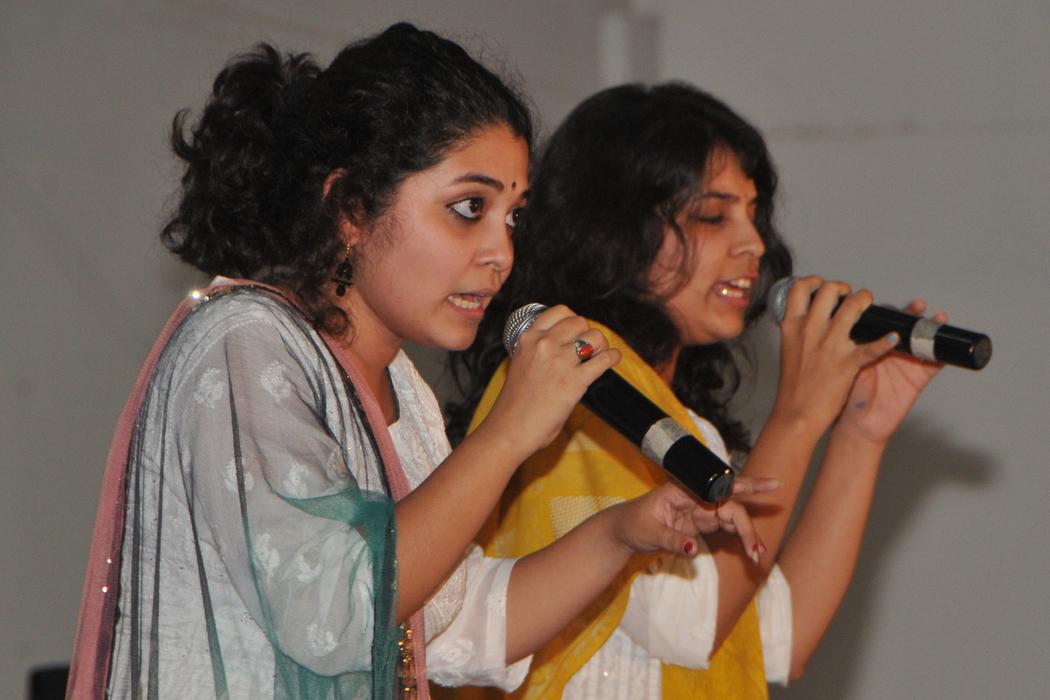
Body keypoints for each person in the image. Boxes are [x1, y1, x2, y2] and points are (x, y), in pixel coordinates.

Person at [66, 27, 769, 700]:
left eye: (512, 217)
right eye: (469, 207)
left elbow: (456, 624)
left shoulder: (399, 382)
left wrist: (622, 533)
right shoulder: (243, 342)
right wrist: (508, 434)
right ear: (349, 208)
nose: (502, 254)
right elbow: (337, 614)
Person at [447, 82, 945, 698]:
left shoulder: (677, 418)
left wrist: (861, 431)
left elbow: (780, 640)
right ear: (614, 228)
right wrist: (797, 416)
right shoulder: (574, 382)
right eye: (713, 215)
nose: (754, 244)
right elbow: (691, 625)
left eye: (753, 213)